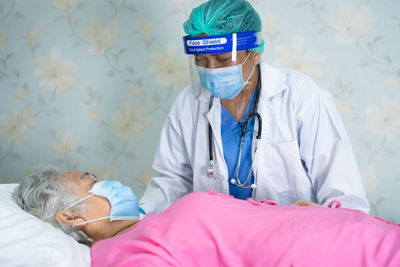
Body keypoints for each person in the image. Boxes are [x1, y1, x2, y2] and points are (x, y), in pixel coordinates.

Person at [139, 0, 370, 214]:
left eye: (222, 59)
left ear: (255, 52)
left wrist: (322, 223)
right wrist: (139, 215)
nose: (211, 70)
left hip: (289, 240)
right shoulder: (187, 104)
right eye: (200, 60)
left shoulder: (302, 97)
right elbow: (172, 180)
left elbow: (344, 195)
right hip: (219, 241)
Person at [13, 168, 400, 266]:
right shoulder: (118, 255)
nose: (107, 182)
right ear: (68, 215)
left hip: (364, 235)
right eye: (91, 181)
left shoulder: (149, 222)